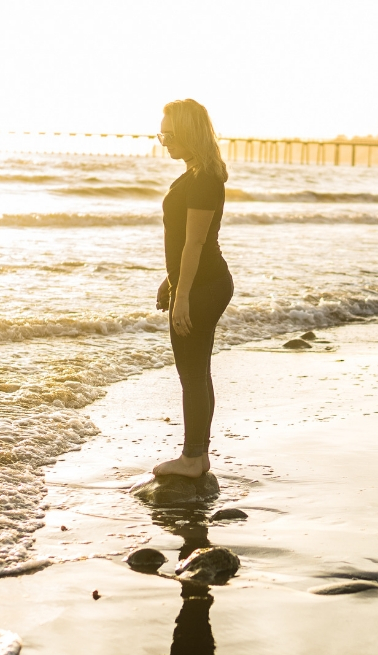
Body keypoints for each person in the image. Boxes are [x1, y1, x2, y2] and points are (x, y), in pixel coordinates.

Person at [153, 99, 233, 478]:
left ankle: (190, 460)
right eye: (161, 133)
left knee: (191, 373)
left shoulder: (203, 180)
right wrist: (170, 280)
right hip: (202, 281)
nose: (164, 141)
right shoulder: (198, 174)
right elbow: (185, 242)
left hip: (203, 285)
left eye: (170, 134)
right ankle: (198, 457)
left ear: (188, 133)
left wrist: (182, 294)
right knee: (198, 371)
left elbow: (195, 243)